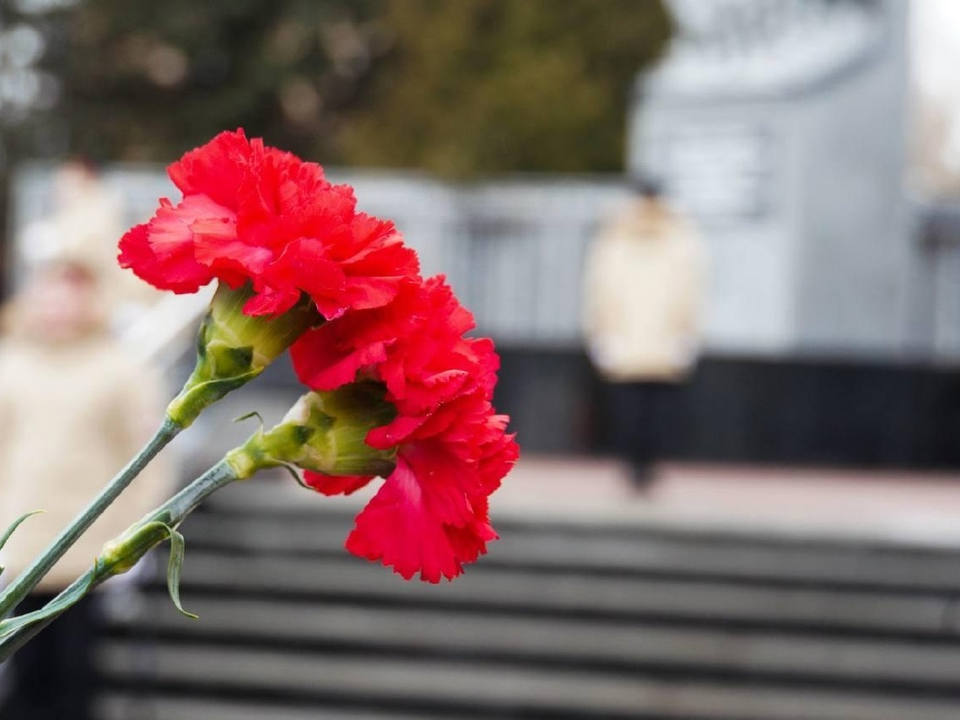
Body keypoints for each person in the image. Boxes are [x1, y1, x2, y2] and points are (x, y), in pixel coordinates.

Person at [0, 257, 171, 720]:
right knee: (21, 670)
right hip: (20, 546)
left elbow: (147, 454)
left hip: (86, 548)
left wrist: (140, 531)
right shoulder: (11, 361)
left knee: (74, 669)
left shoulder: (119, 369)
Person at [582, 176, 706, 488]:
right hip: (656, 341)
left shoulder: (617, 236)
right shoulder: (679, 236)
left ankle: (639, 467)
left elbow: (599, 288)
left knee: (636, 410)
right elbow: (691, 291)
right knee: (647, 411)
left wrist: (600, 332)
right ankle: (642, 467)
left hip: (634, 340)